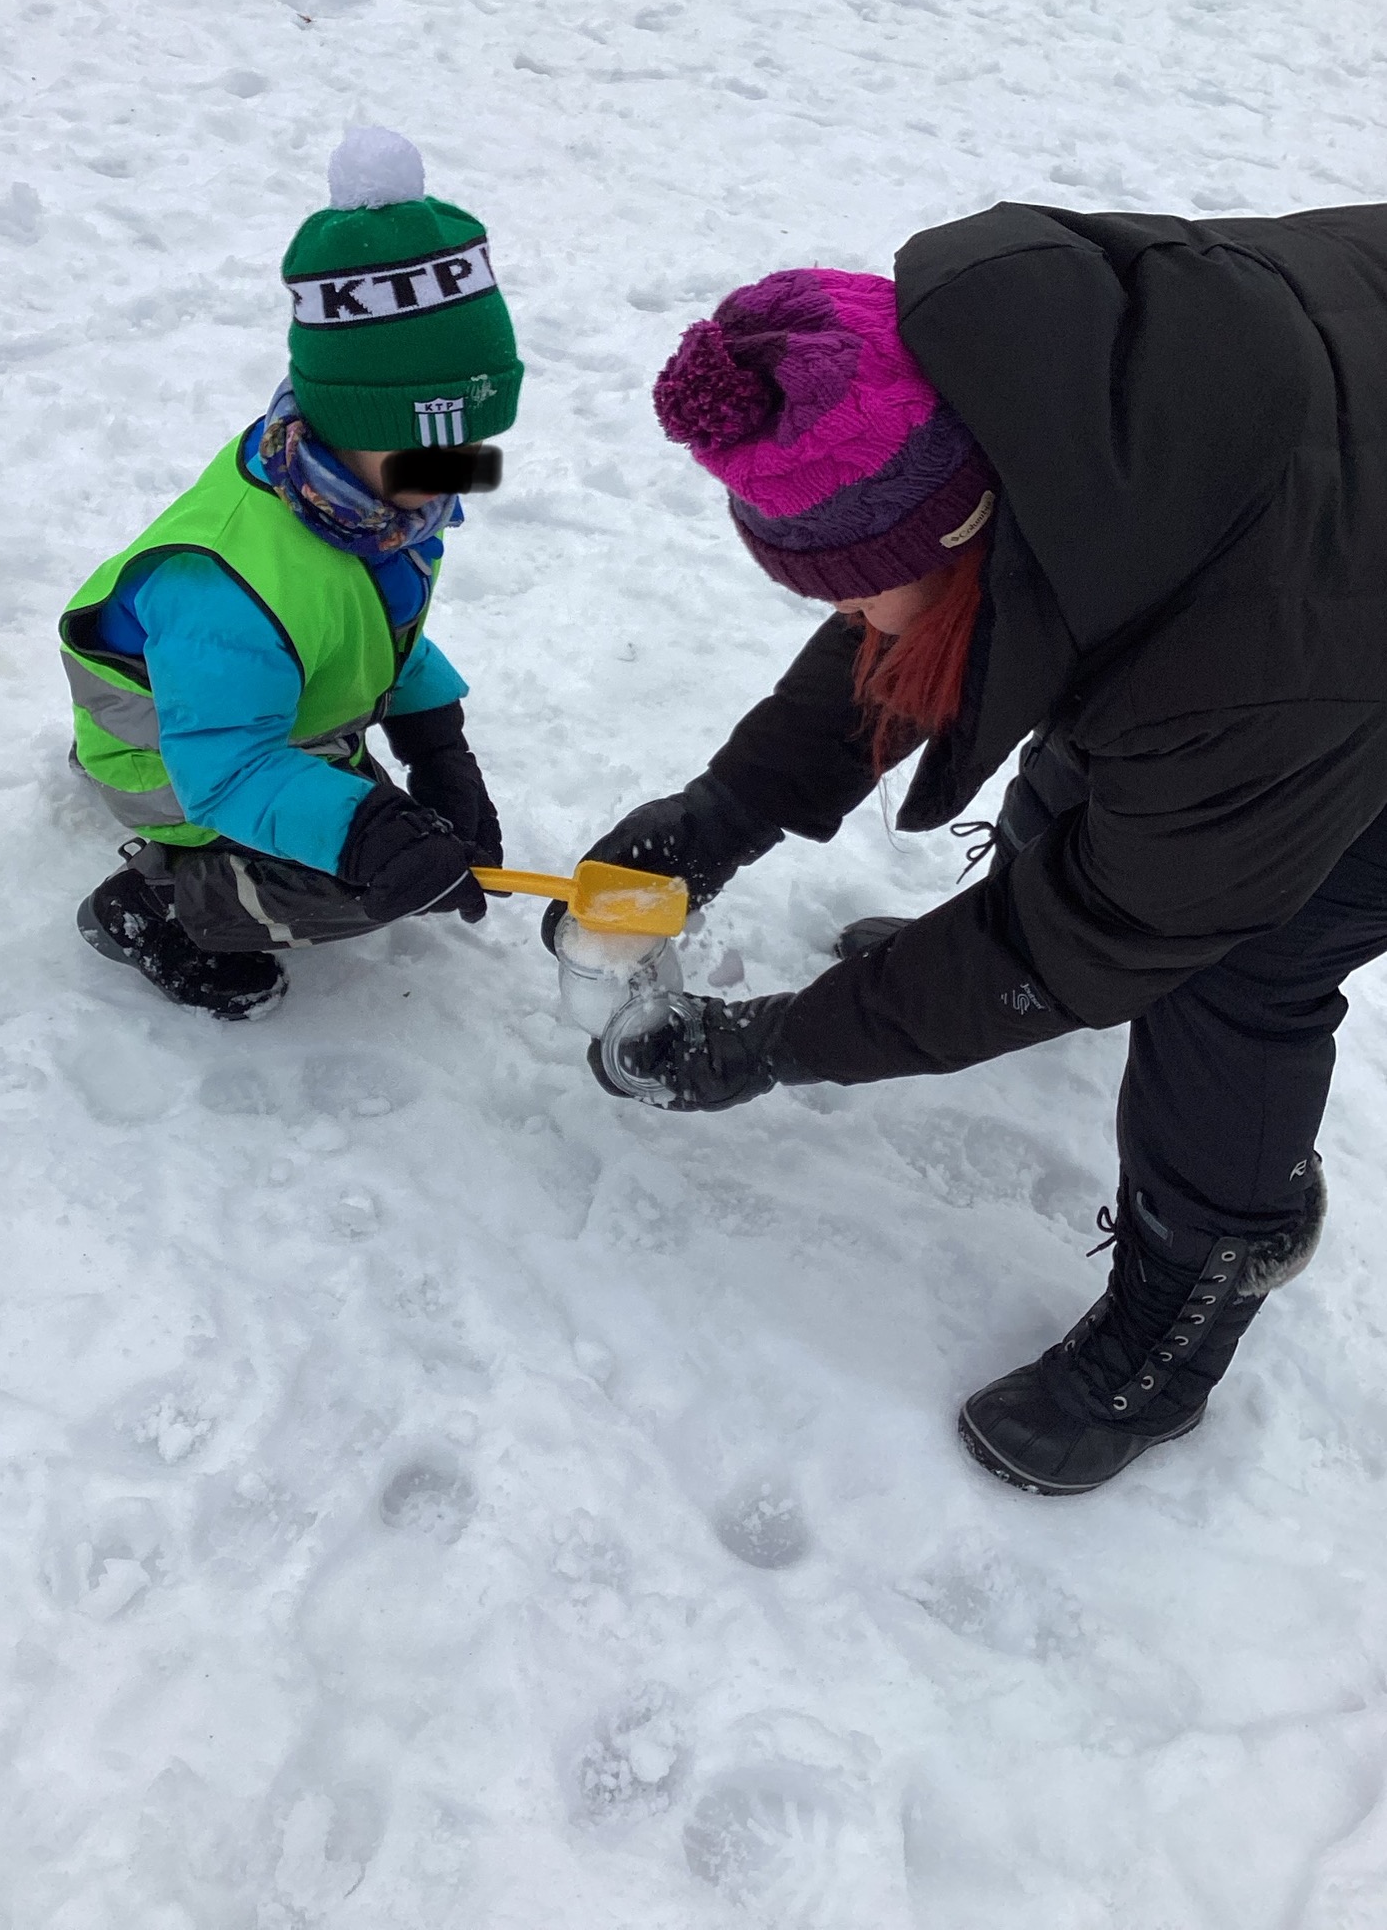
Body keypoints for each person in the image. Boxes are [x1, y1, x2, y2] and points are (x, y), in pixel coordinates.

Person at [561, 208, 1387, 1495]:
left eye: (850, 592)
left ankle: (1201, 1283)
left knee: (1239, 957)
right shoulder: (1042, 403)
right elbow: (964, 630)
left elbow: (1102, 929)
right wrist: (725, 811)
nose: (846, 616)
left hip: (1332, 643)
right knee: (1101, 715)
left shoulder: (1242, 667)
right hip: (1321, 534)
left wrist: (778, 1042)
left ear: (959, 532)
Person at [61, 129, 520, 1020]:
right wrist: (366, 836)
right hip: (176, 759)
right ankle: (158, 908)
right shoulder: (226, 584)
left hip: (249, 709)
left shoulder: (369, 495)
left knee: (407, 841)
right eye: (432, 444)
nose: (456, 469)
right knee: (365, 878)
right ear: (351, 418)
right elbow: (225, 773)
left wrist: (438, 743)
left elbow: (367, 620)